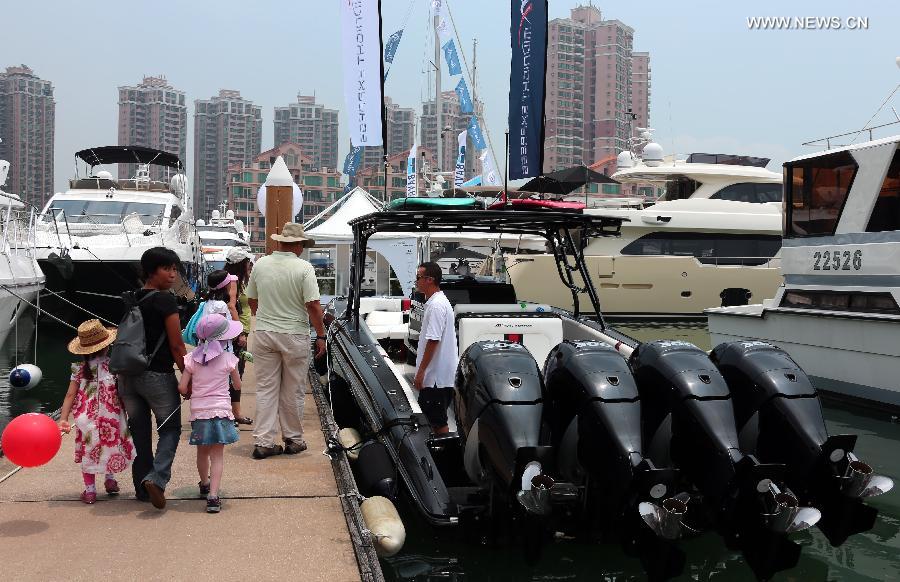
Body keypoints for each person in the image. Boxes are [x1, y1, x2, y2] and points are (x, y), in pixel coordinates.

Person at [245, 222, 326, 459]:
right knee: (293, 390)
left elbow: (251, 299)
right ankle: (293, 439)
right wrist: (320, 334)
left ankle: (264, 442)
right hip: (295, 335)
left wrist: (265, 317)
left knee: (266, 389)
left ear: (280, 242)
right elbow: (313, 305)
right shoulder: (304, 268)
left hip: (265, 333)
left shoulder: (261, 264)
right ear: (299, 245)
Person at [118, 247, 187, 509]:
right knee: (169, 428)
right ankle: (156, 479)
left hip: (127, 376)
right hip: (157, 374)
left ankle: (142, 488)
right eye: (166, 269)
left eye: (174, 269)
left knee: (140, 433)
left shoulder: (130, 298)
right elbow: (177, 345)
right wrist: (186, 376)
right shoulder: (165, 300)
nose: (172, 274)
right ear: (151, 271)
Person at [59, 320, 135, 504]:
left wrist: (63, 418)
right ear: (106, 346)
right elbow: (123, 391)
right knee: (108, 447)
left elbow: (70, 395)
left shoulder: (78, 369)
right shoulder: (114, 366)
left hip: (86, 418)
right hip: (111, 416)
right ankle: (109, 480)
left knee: (90, 451)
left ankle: (90, 491)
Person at [178, 313, 243, 513]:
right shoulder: (229, 359)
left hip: (199, 414)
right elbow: (238, 385)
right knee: (217, 456)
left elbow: (182, 387)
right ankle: (213, 497)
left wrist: (191, 393)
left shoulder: (191, 359)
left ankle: (204, 484)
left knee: (202, 452)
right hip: (221, 412)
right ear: (224, 338)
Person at [413, 262, 459, 434]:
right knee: (433, 420)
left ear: (429, 280)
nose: (416, 281)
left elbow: (433, 340)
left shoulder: (436, 305)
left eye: (418, 277)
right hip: (438, 377)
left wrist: (421, 372)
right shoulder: (437, 302)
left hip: (435, 379)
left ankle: (444, 457)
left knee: (437, 422)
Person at [202, 269, 251, 425]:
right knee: (225, 385)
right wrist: (239, 334)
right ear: (225, 286)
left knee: (215, 385)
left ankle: (220, 415)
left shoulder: (208, 303)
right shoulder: (222, 306)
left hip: (209, 351)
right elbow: (221, 330)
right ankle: (225, 416)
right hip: (222, 351)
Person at [223, 247, 254, 378]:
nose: (249, 263)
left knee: (237, 369)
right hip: (236, 332)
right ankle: (231, 397)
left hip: (240, 329)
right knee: (235, 371)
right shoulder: (232, 281)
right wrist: (240, 333)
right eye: (247, 261)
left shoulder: (238, 280)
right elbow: (231, 306)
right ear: (241, 263)